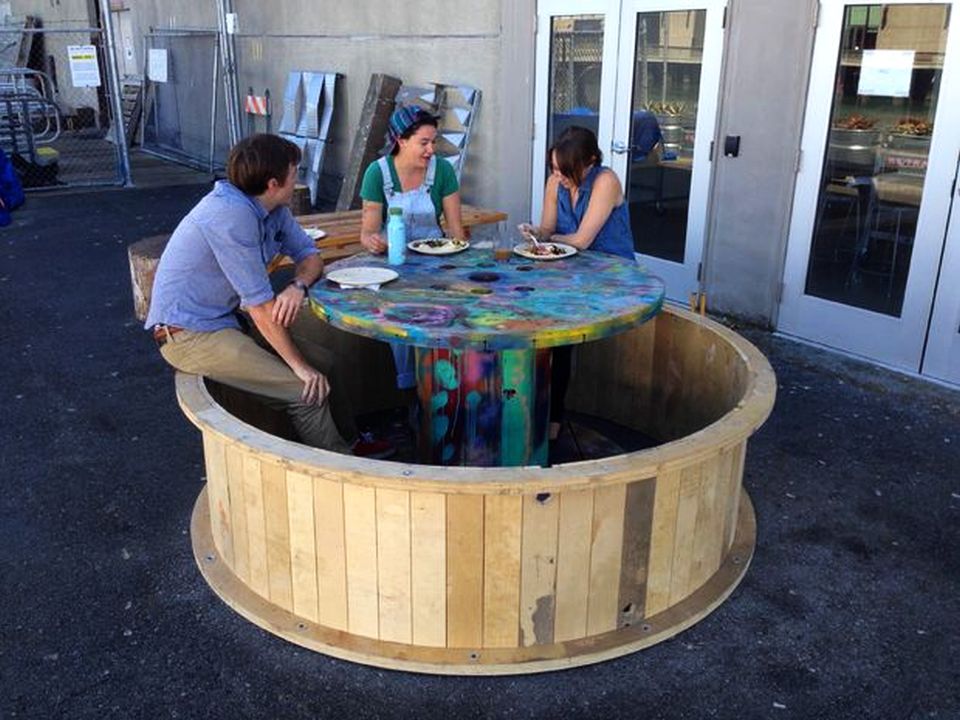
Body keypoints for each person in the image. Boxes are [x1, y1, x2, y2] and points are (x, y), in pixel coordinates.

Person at [145, 133, 391, 458]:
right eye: (295, 174)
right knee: (306, 390)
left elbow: (310, 256)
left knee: (326, 364)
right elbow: (260, 309)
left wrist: (297, 286)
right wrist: (299, 367)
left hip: (225, 323)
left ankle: (355, 444)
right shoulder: (230, 217)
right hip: (188, 335)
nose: (298, 180)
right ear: (274, 183)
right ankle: (344, 472)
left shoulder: (271, 207)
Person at [520, 125, 636, 441]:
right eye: (555, 170)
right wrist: (535, 233)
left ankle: (553, 419)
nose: (559, 177)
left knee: (558, 329)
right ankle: (537, 411)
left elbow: (582, 240)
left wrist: (546, 240)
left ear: (590, 162)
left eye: (566, 171)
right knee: (529, 310)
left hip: (610, 273)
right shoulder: (556, 181)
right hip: (571, 271)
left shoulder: (606, 181)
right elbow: (548, 228)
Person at [359, 104, 465, 389]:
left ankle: (447, 384)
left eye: (434, 142)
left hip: (437, 263)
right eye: (424, 143)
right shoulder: (377, 173)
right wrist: (373, 242)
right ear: (401, 141)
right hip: (393, 264)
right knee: (400, 316)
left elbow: (456, 229)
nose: (431, 150)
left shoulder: (442, 170)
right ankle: (410, 388)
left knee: (451, 313)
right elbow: (367, 232)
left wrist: (462, 267)